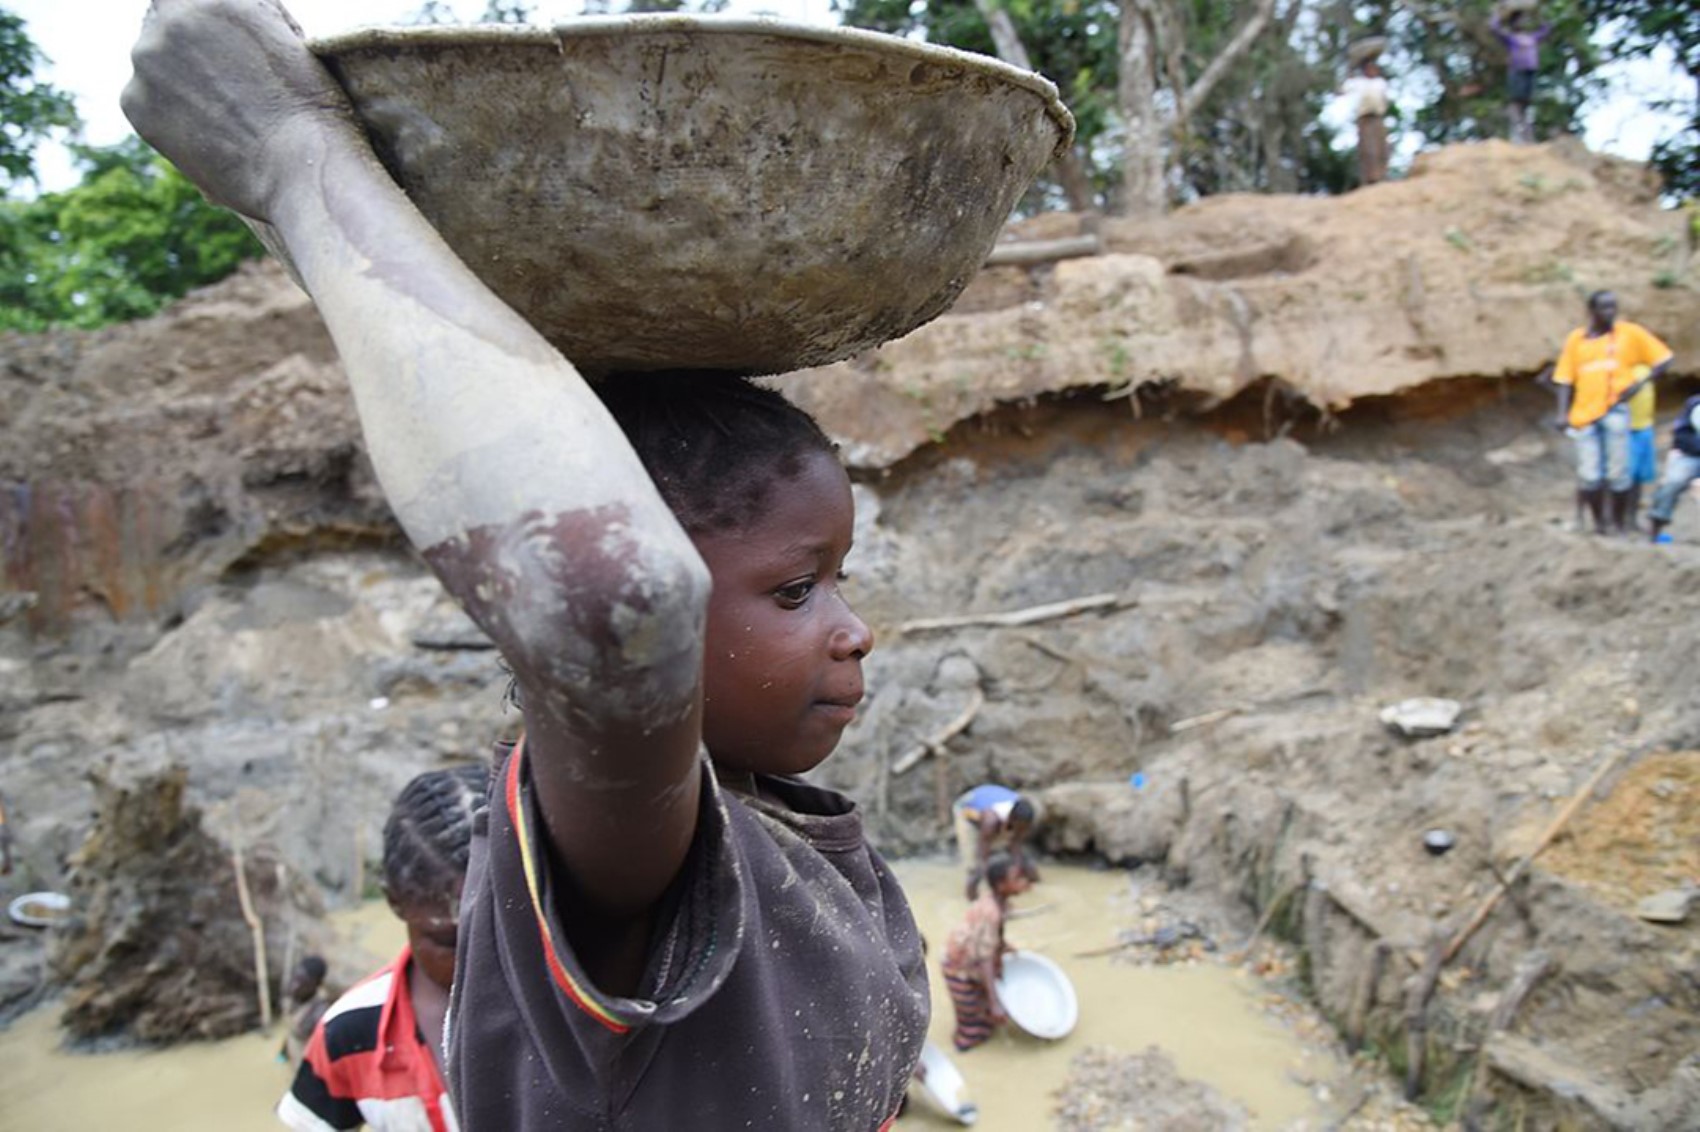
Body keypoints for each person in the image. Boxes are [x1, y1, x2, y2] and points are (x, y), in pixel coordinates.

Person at [125, 5, 929, 1129]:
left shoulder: (792, 834)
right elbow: (610, 596)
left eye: (836, 580)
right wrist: (289, 157)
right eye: (794, 589)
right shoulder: (634, 857)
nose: (853, 628)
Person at [278, 765, 487, 1132]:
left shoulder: (587, 1002)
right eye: (449, 942)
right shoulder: (349, 1034)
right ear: (395, 902)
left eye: (506, 932)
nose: (484, 959)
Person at [1550, 292, 1674, 534]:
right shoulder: (1577, 340)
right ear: (1591, 311)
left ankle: (1618, 525)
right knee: (1590, 474)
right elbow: (1564, 378)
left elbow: (1664, 359)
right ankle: (1599, 525)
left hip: (1616, 410)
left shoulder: (1629, 333)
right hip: (1585, 415)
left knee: (1619, 474)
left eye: (1613, 307)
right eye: (1604, 308)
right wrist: (1562, 413)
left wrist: (1641, 383)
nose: (1610, 313)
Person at [940, 853, 1030, 1053]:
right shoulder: (992, 912)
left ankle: (984, 1024)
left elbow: (986, 938)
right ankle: (963, 1046)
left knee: (982, 1011)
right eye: (1016, 879)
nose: (1023, 883)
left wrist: (1004, 945)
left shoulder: (1000, 903)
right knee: (971, 1023)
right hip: (958, 968)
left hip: (970, 957)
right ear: (1001, 885)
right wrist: (995, 1001)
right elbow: (984, 959)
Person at [951, 784, 1039, 899]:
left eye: (1024, 828)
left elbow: (1015, 845)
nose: (1022, 831)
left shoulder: (1023, 814)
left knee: (1015, 858)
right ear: (1012, 819)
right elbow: (982, 854)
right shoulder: (990, 821)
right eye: (1019, 827)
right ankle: (971, 898)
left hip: (992, 803)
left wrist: (1018, 868)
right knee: (975, 867)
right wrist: (986, 879)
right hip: (966, 812)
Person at [1490, 6, 1551, 144]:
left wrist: (1540, 15)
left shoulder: (1532, 38)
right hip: (1517, 71)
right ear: (1513, 24)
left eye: (1524, 20)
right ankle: (1517, 134)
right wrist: (1497, 14)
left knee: (1527, 104)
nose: (1522, 22)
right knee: (1516, 103)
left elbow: (1546, 29)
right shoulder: (1511, 38)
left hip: (1530, 71)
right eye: (1519, 20)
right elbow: (1494, 28)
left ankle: (1527, 135)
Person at [1648, 393, 1700, 544]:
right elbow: (1680, 435)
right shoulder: (1694, 404)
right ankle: (1655, 529)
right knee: (1672, 484)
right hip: (1690, 454)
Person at [1342, 56, 1391, 187]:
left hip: (1378, 117)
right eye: (1369, 68)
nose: (1372, 70)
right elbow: (1343, 90)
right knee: (1368, 149)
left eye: (1373, 68)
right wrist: (1349, 72)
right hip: (1364, 118)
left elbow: (1385, 99)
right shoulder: (1357, 82)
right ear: (1364, 70)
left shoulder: (1380, 82)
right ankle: (1370, 178)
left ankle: (1383, 175)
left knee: (1382, 147)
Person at [278, 955, 331, 1066]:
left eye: (303, 982)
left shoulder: (319, 1013)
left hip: (307, 1063)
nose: (295, 986)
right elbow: (291, 1032)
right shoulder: (292, 996)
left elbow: (323, 1051)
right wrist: (283, 1052)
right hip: (292, 1050)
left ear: (316, 985)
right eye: (295, 979)